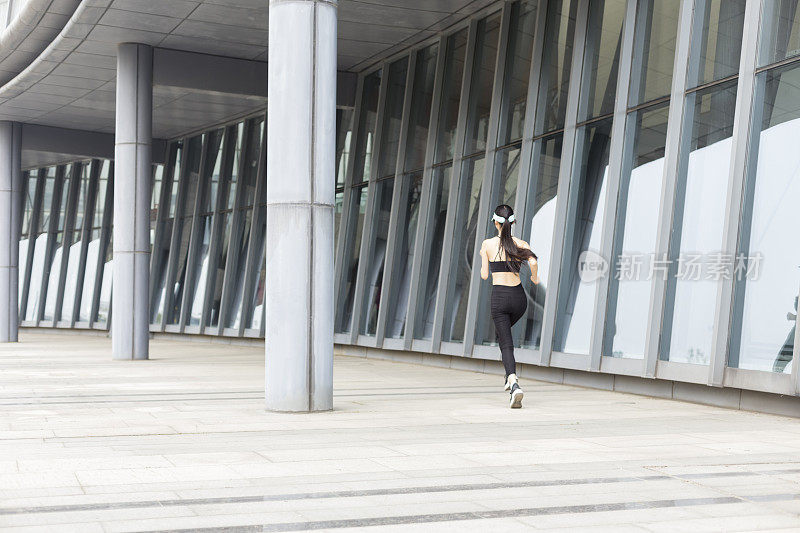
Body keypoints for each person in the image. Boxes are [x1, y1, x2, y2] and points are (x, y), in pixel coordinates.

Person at [480, 204, 539, 408]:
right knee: (502, 337)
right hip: (518, 299)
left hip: (500, 298)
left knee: (505, 342)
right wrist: (535, 277)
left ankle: (513, 383)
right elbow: (532, 262)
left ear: (495, 222)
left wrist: (484, 258)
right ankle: (509, 379)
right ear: (513, 222)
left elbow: (485, 275)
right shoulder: (520, 243)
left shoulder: (487, 244)